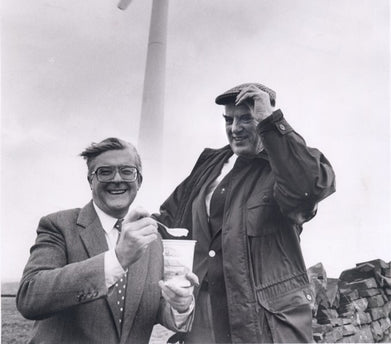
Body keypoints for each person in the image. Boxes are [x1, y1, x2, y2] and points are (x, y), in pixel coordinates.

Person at [155, 83, 336, 344]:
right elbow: (171, 217)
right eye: (229, 120)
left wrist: (272, 121)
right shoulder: (209, 164)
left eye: (246, 119)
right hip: (204, 322)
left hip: (264, 323)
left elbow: (310, 187)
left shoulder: (283, 166)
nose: (235, 128)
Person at [17, 137, 198, 344]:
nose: (117, 179)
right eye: (105, 172)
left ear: (139, 181)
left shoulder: (152, 239)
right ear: (90, 180)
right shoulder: (59, 226)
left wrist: (180, 305)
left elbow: (152, 309)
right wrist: (118, 259)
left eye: (127, 171)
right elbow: (29, 297)